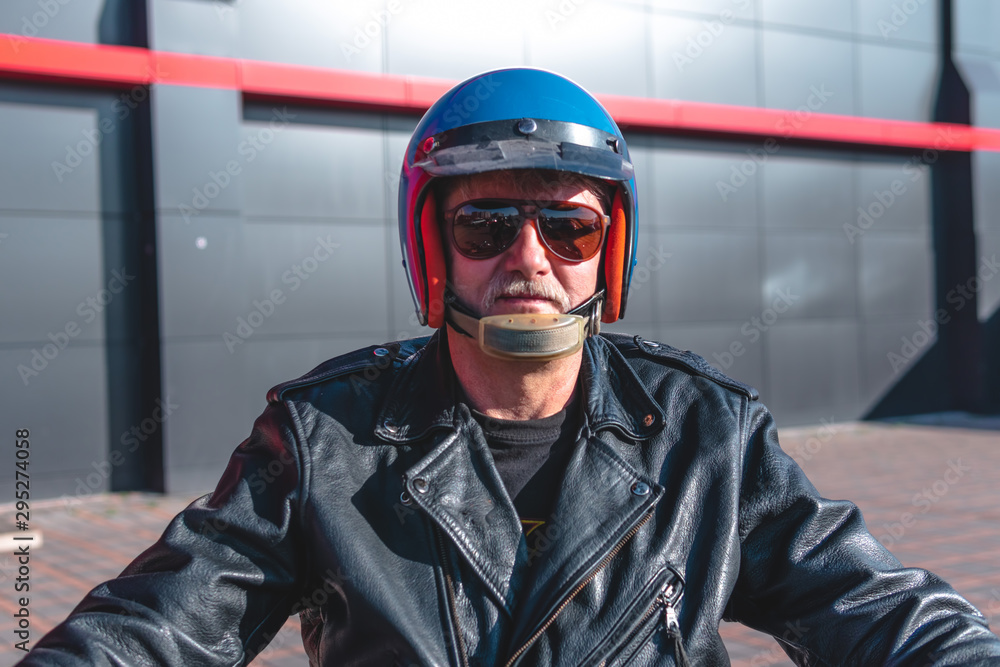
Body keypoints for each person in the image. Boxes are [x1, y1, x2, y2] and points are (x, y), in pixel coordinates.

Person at [21, 68, 1000, 666]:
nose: (529, 257)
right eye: (487, 222)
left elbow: (868, 603)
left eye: (569, 225)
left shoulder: (709, 432)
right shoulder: (322, 436)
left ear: (608, 250)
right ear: (432, 246)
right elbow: (162, 620)